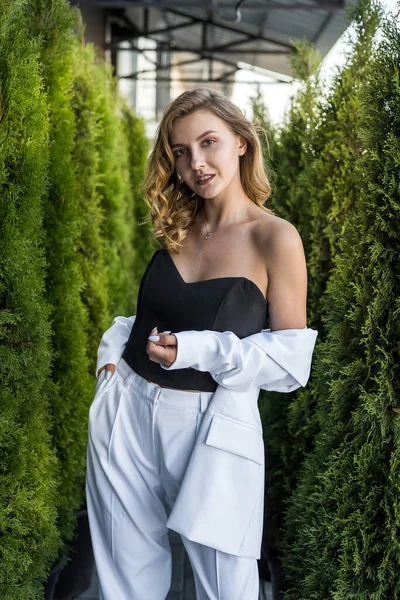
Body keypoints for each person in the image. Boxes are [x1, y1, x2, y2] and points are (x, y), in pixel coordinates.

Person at [85, 87, 318, 600]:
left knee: (225, 587)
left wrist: (197, 350)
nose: (197, 163)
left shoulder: (275, 238)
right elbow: (146, 317)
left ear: (240, 141)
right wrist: (111, 359)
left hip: (211, 426)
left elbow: (289, 361)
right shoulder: (178, 222)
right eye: (181, 152)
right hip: (126, 410)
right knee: (123, 583)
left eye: (209, 142)